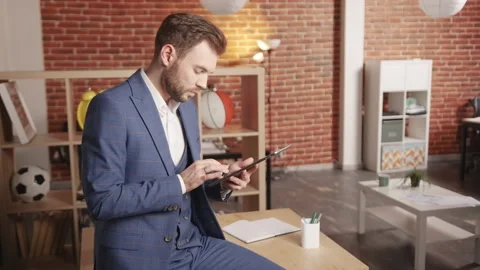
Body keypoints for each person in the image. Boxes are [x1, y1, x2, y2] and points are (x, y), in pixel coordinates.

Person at [81, 13, 284, 270]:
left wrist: (222, 181)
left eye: (208, 73)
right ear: (168, 55)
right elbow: (102, 202)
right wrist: (181, 182)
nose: (203, 84)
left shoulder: (186, 107)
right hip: (138, 257)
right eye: (199, 71)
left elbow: (187, 186)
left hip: (192, 247)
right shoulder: (111, 107)